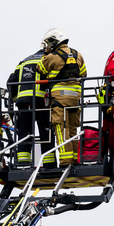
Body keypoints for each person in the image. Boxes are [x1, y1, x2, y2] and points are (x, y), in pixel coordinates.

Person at [37, 28, 86, 166]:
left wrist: (45, 53)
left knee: (61, 128)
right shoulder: (78, 55)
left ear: (54, 42)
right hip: (75, 98)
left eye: (49, 43)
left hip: (60, 99)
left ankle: (65, 161)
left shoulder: (51, 57)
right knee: (73, 129)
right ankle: (76, 159)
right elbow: (83, 75)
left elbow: (40, 68)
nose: (48, 46)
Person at [7, 48, 49, 167]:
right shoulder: (47, 60)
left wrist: (15, 98)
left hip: (23, 103)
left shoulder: (24, 62)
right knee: (46, 132)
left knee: (24, 132)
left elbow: (11, 82)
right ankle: (48, 162)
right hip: (41, 102)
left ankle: (23, 162)